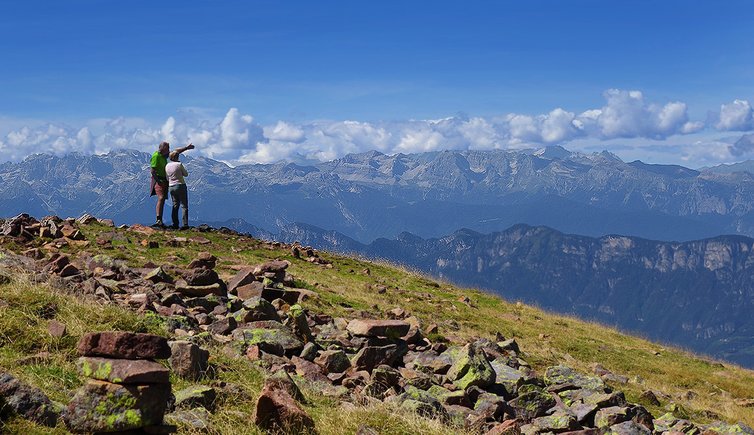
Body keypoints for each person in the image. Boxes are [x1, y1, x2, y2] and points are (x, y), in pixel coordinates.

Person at [150, 141, 193, 227]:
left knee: (171, 202)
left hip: (166, 181)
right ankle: (159, 219)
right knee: (161, 198)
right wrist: (158, 181)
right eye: (167, 149)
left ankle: (163, 220)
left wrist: (186, 148)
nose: (169, 150)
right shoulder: (156, 156)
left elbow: (175, 152)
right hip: (159, 179)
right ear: (163, 148)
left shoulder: (164, 156)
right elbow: (152, 170)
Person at [166, 150, 190, 229]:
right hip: (180, 185)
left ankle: (175, 224)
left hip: (171, 187)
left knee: (175, 205)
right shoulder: (179, 164)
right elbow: (186, 174)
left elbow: (167, 178)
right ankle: (185, 224)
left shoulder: (167, 166)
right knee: (184, 205)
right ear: (177, 157)